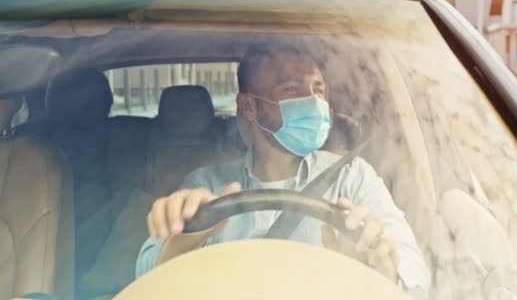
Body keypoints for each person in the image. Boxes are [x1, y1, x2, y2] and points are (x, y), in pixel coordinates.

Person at [135, 43, 430, 292]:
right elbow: (146, 276)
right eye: (291, 90)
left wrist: (381, 269)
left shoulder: (352, 176)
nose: (314, 103)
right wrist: (183, 239)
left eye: (319, 90)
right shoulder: (206, 185)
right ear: (249, 107)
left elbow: (412, 273)